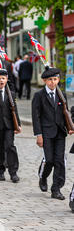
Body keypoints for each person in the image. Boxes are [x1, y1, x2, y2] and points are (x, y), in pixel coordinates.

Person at [32, 67, 73, 200]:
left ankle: (56, 189)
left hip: (60, 132)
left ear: (58, 80)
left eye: (55, 79)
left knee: (59, 161)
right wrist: (39, 134)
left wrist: (69, 126)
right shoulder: (39, 95)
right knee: (49, 160)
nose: (53, 82)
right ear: (44, 80)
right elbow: (36, 116)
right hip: (46, 132)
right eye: (50, 80)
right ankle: (43, 177)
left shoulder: (61, 94)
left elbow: (65, 113)